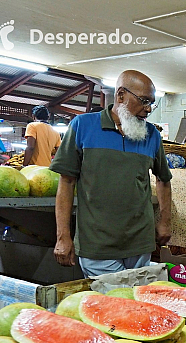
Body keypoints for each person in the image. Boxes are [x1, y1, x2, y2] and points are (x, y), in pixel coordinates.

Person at [50, 70, 172, 277]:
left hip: (140, 243)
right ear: (121, 95)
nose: (148, 109)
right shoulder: (82, 126)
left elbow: (164, 180)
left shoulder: (151, 135)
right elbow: (67, 182)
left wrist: (164, 221)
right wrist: (63, 236)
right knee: (112, 304)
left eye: (152, 103)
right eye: (144, 101)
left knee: (136, 304)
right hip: (97, 245)